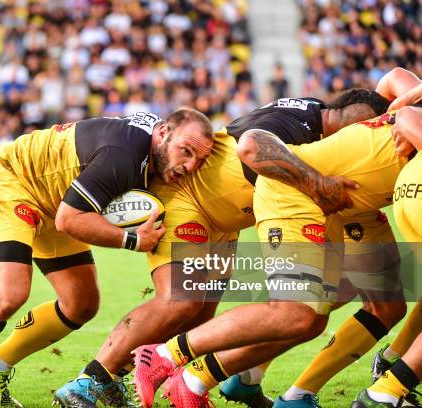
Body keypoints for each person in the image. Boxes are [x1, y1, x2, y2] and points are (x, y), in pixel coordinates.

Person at [53, 89, 391, 408]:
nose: (364, 142)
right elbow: (250, 140)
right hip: (188, 198)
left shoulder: (313, 119)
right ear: (353, 122)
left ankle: (193, 382)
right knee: (180, 300)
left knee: (206, 315)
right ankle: (89, 380)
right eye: (366, 131)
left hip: (225, 221)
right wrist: (319, 185)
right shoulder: (300, 122)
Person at [131, 71, 420, 408]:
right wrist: (405, 112)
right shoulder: (310, 121)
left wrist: (408, 100)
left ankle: (215, 381)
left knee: (370, 307)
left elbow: (398, 82)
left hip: (356, 204)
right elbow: (409, 108)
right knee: (296, 314)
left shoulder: (371, 113)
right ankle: (165, 356)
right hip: (297, 193)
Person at [0, 108, 215, 408]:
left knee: (81, 303)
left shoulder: (152, 149)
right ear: (164, 133)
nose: (190, 165)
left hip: (60, 200)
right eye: (186, 151)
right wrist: (133, 239)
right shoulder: (122, 157)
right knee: (8, 295)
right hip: (16, 183)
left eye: (200, 159)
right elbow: (69, 220)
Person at [351, 104, 421, 408]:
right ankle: (384, 392)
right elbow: (404, 109)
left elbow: (403, 102)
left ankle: (391, 365)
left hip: (409, 187)